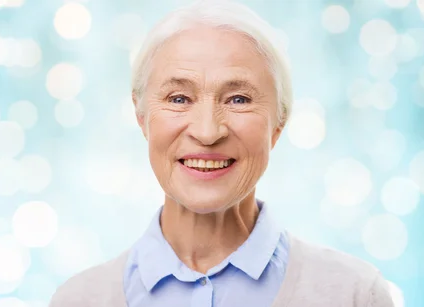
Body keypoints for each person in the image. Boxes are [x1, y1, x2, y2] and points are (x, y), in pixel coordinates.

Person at [50, 0, 394, 306]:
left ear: (279, 123)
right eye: (179, 99)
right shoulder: (78, 300)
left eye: (238, 99)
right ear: (142, 117)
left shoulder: (354, 294)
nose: (207, 131)